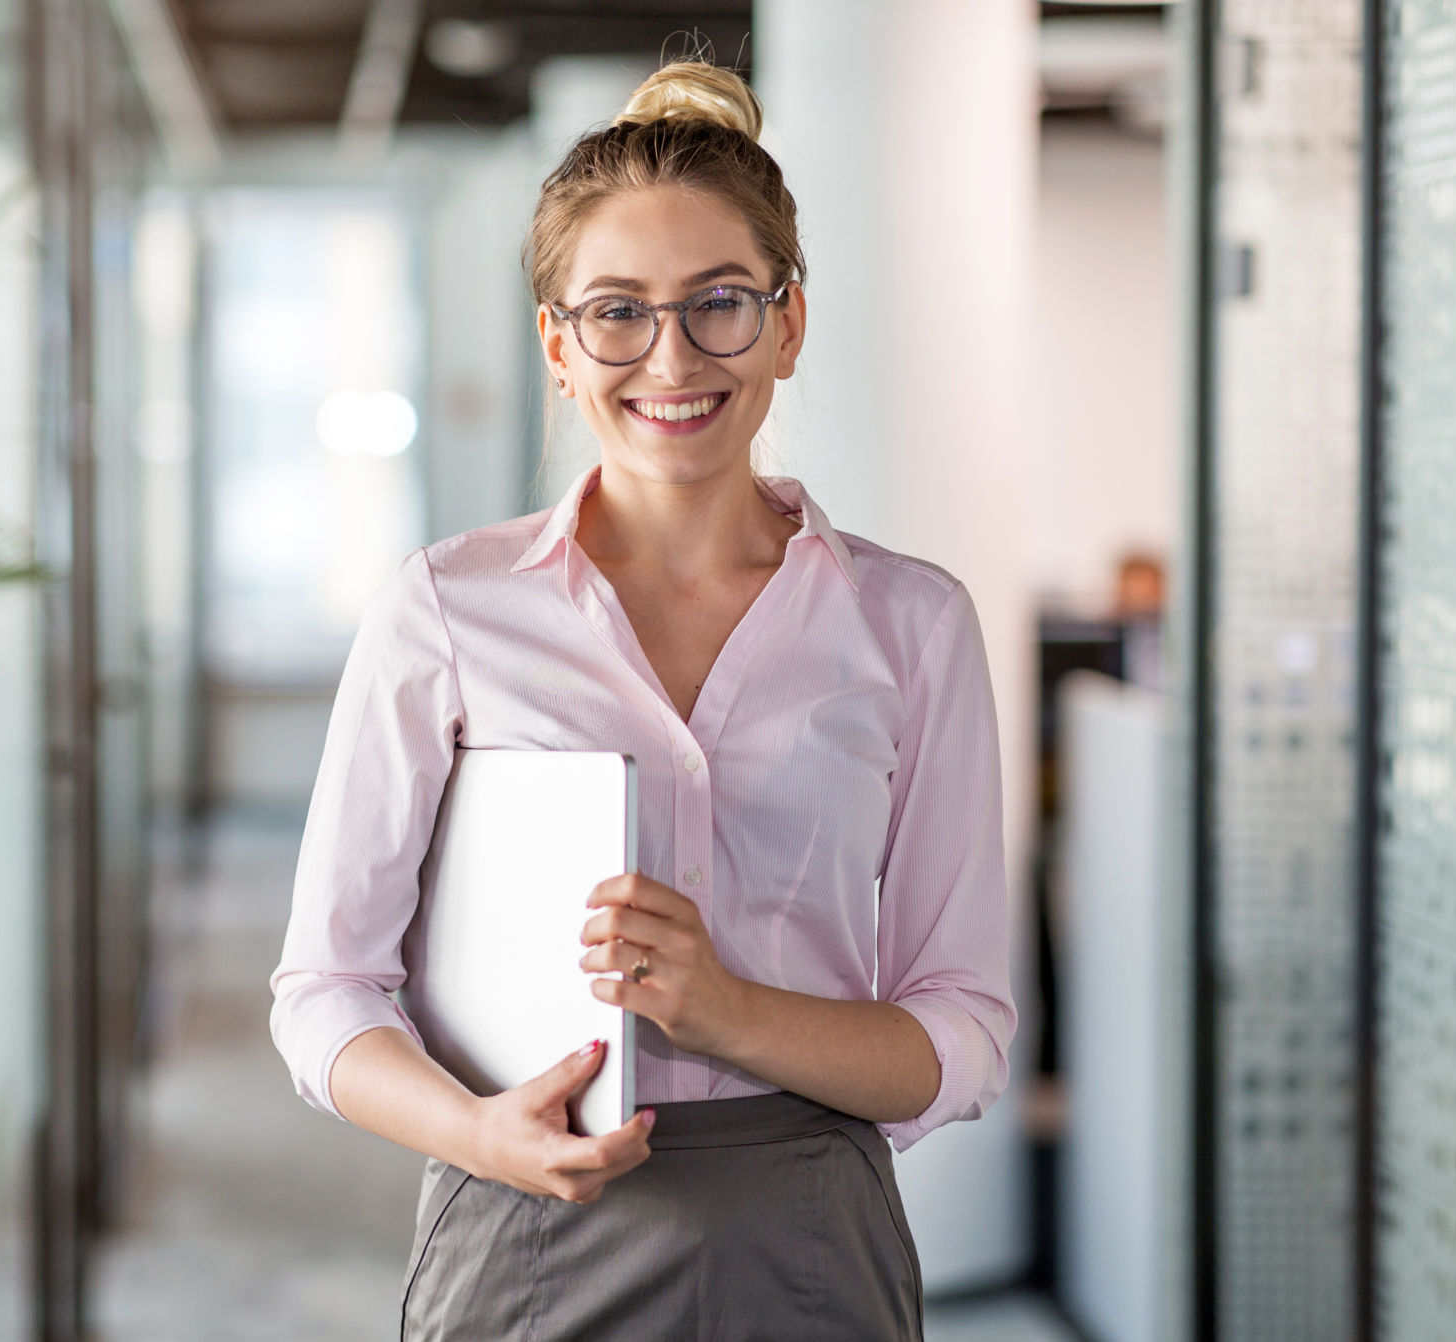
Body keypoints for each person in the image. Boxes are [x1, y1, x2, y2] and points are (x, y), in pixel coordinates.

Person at [270, 58, 1016, 1342]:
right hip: (523, 1221)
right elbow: (324, 989)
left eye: (719, 301)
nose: (670, 355)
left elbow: (961, 1031)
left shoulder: (912, 625)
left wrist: (723, 1009)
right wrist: (473, 1131)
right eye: (617, 311)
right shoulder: (446, 609)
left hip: (810, 1239)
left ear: (787, 322)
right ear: (559, 345)